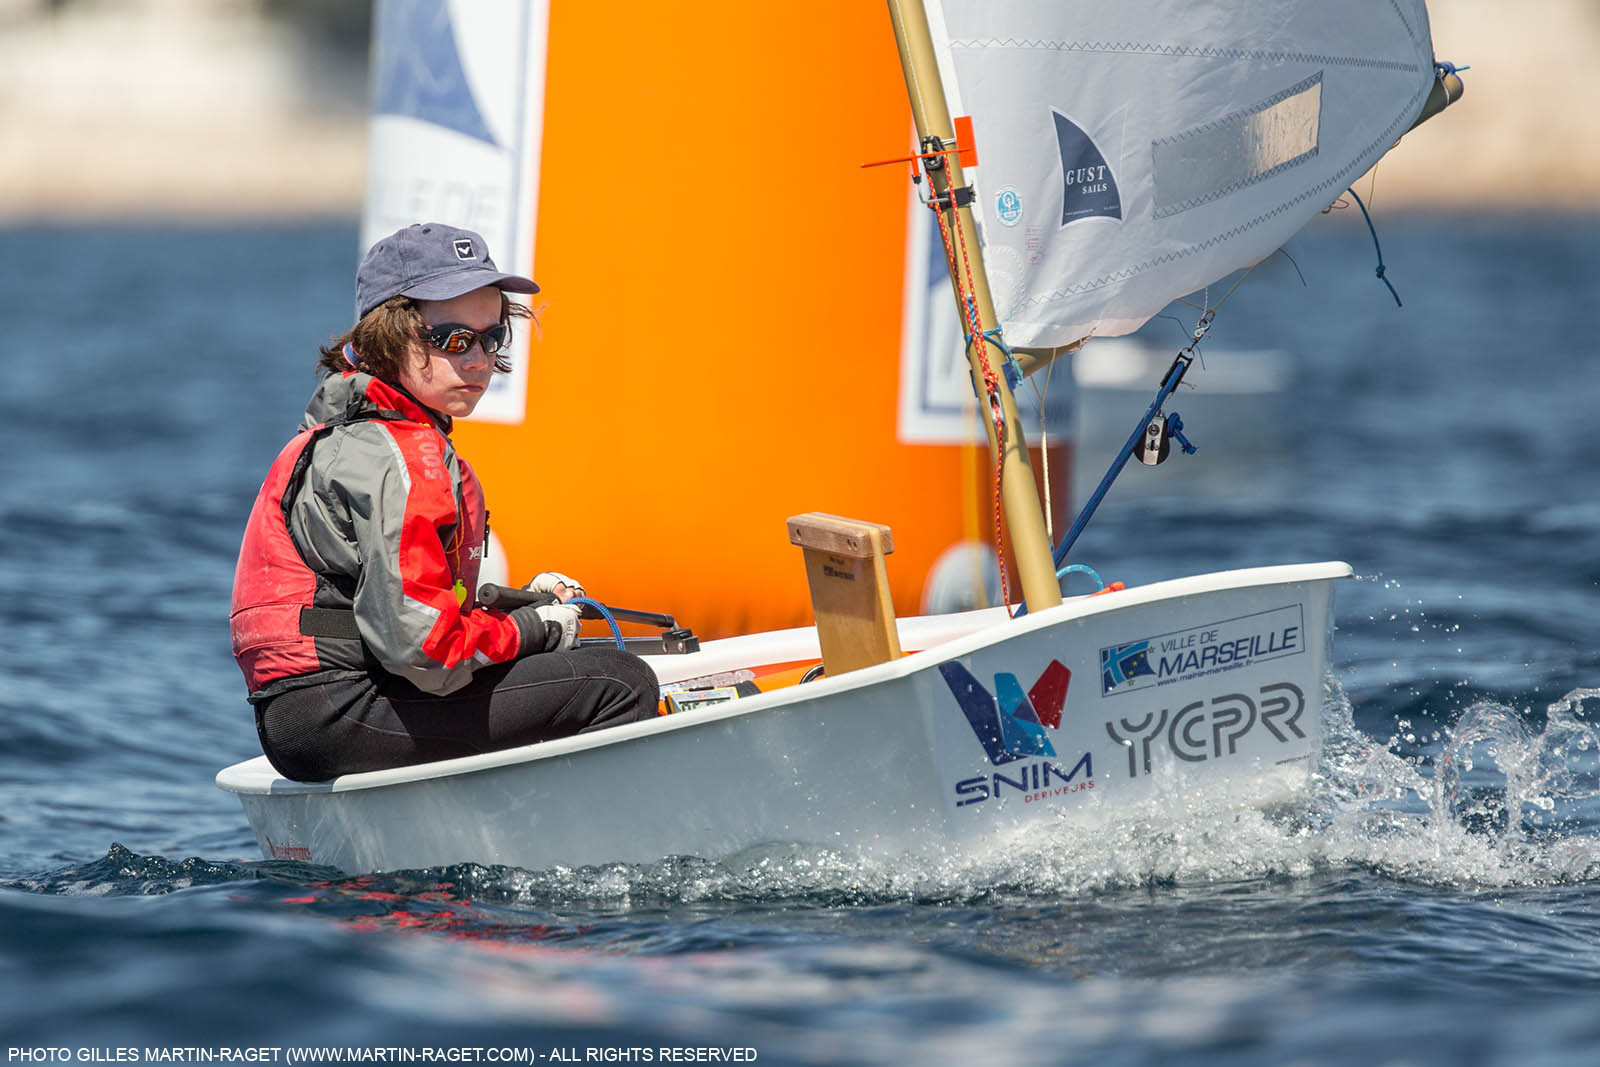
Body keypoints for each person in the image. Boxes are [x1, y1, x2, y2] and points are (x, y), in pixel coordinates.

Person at [230, 222, 659, 781]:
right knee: (619, 682)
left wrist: (521, 610)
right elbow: (427, 651)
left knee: (562, 666)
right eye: (455, 340)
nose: (479, 360)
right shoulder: (404, 456)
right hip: (344, 708)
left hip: (309, 713)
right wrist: (538, 630)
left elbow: (407, 613)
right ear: (387, 338)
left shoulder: (349, 434)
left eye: (492, 338)